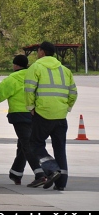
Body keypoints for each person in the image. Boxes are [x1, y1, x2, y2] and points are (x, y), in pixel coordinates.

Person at [0, 54, 42, 185]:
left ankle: (40, 173)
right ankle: (16, 173)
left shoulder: (13, 79)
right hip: (35, 114)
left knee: (27, 145)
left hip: (20, 116)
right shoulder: (34, 77)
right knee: (23, 144)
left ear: (15, 65)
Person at [24, 42, 77, 190]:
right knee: (60, 148)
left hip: (43, 113)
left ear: (41, 52)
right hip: (60, 116)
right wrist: (67, 108)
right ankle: (61, 184)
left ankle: (52, 169)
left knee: (35, 143)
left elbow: (29, 90)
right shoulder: (65, 70)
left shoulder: (36, 67)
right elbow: (73, 93)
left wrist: (31, 108)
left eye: (38, 50)